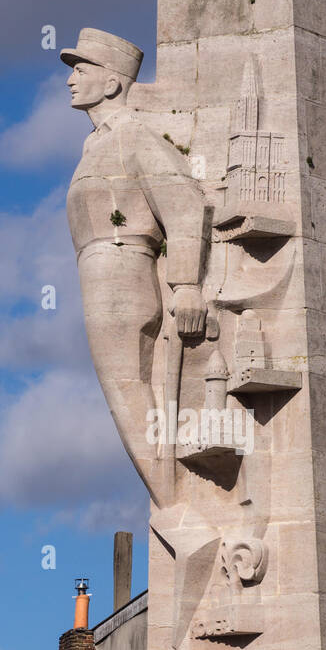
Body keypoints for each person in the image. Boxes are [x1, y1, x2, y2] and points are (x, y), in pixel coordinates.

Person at [62, 28, 210, 506]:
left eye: (81, 70)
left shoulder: (133, 136)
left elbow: (185, 205)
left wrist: (186, 283)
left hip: (124, 273)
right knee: (124, 397)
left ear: (111, 83)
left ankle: (177, 508)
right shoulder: (96, 144)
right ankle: (174, 503)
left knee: (130, 399)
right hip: (100, 275)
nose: (70, 80)